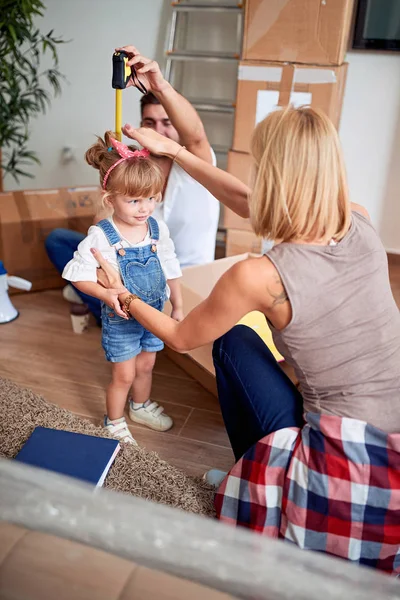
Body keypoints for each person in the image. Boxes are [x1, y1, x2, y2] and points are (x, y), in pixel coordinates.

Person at [91, 107, 400, 574]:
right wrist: (173, 150)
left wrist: (123, 295)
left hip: (347, 463)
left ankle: (258, 476)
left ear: (271, 174)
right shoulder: (359, 218)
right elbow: (244, 200)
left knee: (232, 342)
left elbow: (178, 336)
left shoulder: (259, 276)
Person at [45, 44, 219, 323]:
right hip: (130, 271)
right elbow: (103, 225)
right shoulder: (134, 166)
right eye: (150, 122)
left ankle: (112, 311)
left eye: (167, 122)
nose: (159, 130)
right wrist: (112, 181)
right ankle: (116, 309)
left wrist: (159, 85)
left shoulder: (194, 163)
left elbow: (196, 136)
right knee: (59, 240)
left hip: (179, 278)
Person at [63, 132, 183, 444]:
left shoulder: (157, 229)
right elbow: (77, 274)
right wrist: (105, 294)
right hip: (121, 320)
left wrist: (178, 304)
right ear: (110, 199)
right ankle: (113, 421)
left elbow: (170, 264)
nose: (144, 208)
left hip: (154, 315)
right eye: (133, 201)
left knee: (146, 366)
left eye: (151, 198)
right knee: (124, 374)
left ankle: (140, 406)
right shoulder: (101, 235)